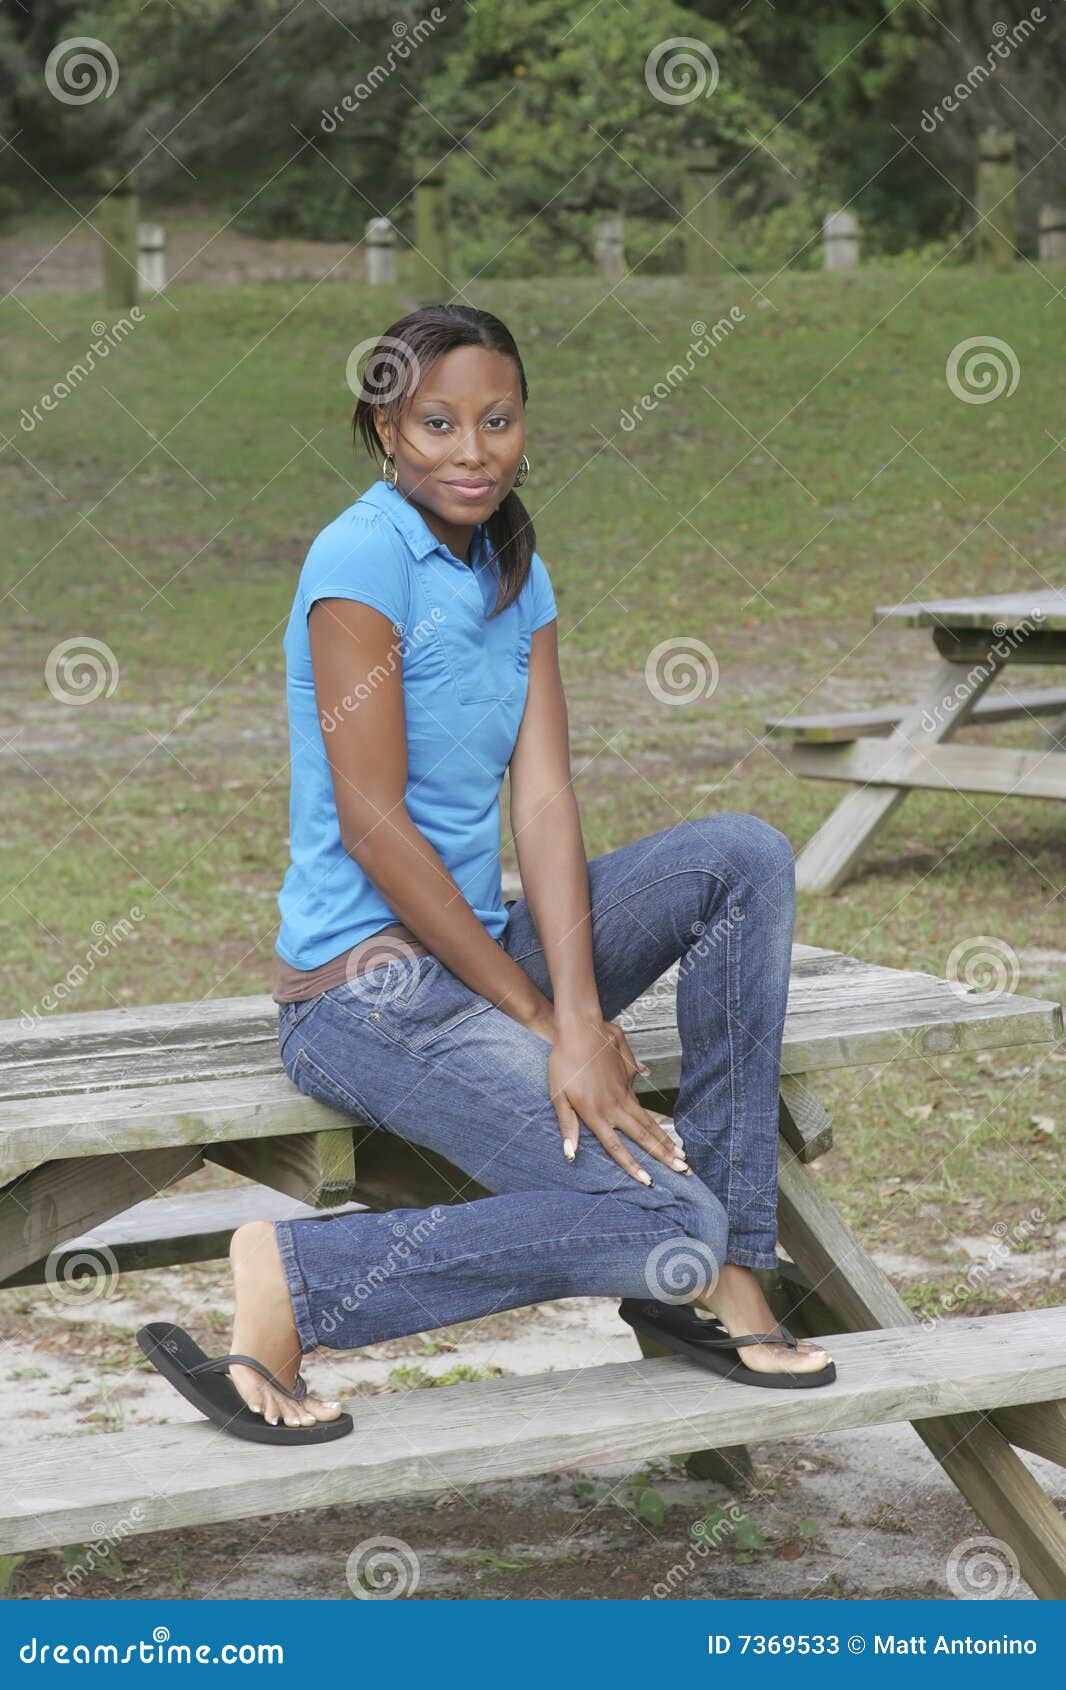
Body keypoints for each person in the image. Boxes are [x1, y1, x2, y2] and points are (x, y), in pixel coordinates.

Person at [140, 303, 832, 1442]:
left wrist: (572, 1012)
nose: (471, 451)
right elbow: (374, 826)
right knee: (664, 1224)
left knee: (741, 857)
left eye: (496, 420)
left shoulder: (515, 565)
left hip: (476, 947)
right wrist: (549, 1021)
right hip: (365, 990)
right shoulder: (362, 557)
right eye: (436, 423)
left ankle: (731, 1271)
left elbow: (545, 803)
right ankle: (292, 1277)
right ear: (383, 432)